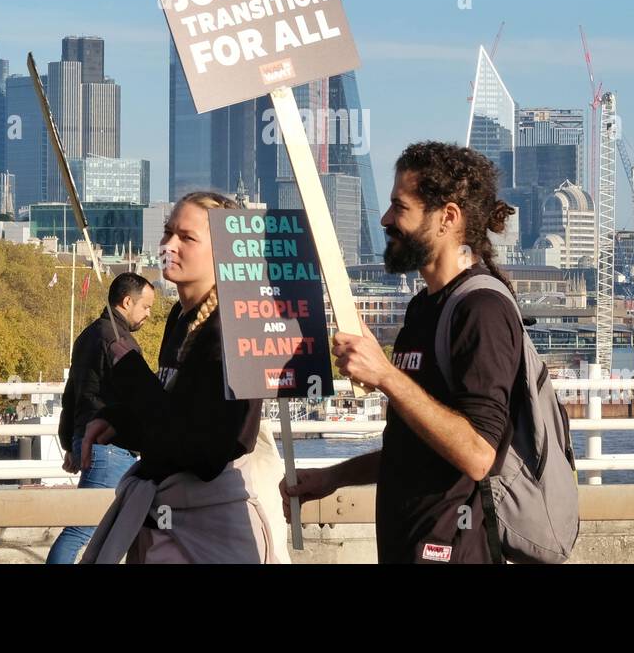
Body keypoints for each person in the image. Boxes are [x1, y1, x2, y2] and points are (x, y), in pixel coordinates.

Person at [282, 142, 524, 563]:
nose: (385, 219)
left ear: (447, 217)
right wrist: (333, 477)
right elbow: (417, 447)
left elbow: (478, 454)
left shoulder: (481, 309)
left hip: (454, 549)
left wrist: (387, 376)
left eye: (400, 207)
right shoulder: (423, 307)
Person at [77, 191, 289, 564]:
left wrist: (129, 375)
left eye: (187, 238)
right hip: (169, 520)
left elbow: (215, 448)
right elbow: (174, 411)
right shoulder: (180, 316)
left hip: (210, 531)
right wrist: (117, 420)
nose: (168, 245)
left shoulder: (238, 324)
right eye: (167, 232)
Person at [45, 271, 155, 564]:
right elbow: (141, 398)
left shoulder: (88, 335)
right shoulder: (120, 342)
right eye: (146, 307)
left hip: (88, 439)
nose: (148, 315)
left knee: (92, 528)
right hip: (110, 446)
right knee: (83, 530)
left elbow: (73, 394)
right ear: (127, 302)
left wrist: (70, 442)